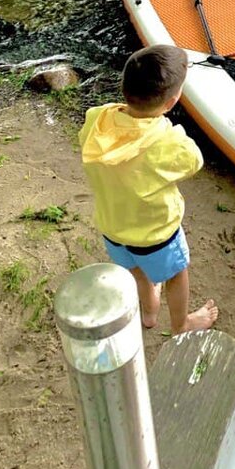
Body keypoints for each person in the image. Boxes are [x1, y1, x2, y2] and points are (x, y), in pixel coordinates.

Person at [79, 44, 218, 335]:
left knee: (136, 270)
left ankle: (149, 311)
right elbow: (194, 161)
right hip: (156, 235)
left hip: (113, 229)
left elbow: (96, 123)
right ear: (172, 101)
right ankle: (182, 324)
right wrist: (169, 128)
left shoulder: (97, 120)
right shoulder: (168, 142)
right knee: (176, 274)